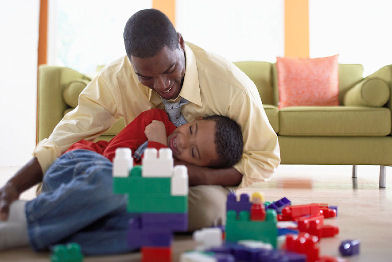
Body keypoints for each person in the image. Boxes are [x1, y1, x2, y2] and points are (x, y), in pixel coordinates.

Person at [0, 8, 280, 236]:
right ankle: (99, 212)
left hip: (192, 183)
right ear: (131, 63)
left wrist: (200, 175)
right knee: (67, 179)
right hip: (125, 173)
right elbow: (71, 132)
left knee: (208, 209)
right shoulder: (119, 77)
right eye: (146, 76)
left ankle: (84, 214)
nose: (162, 85)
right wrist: (12, 186)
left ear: (180, 44)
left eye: (170, 69)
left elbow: (265, 158)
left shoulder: (232, 88)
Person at [0, 108, 243, 254]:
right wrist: (157, 144)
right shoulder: (155, 121)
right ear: (194, 119)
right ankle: (25, 219)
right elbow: (113, 163)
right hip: (81, 167)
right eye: (191, 130)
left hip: (96, 200)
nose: (182, 143)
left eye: (194, 153)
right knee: (114, 186)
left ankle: (55, 233)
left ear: (199, 165)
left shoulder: (182, 172)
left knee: (145, 232)